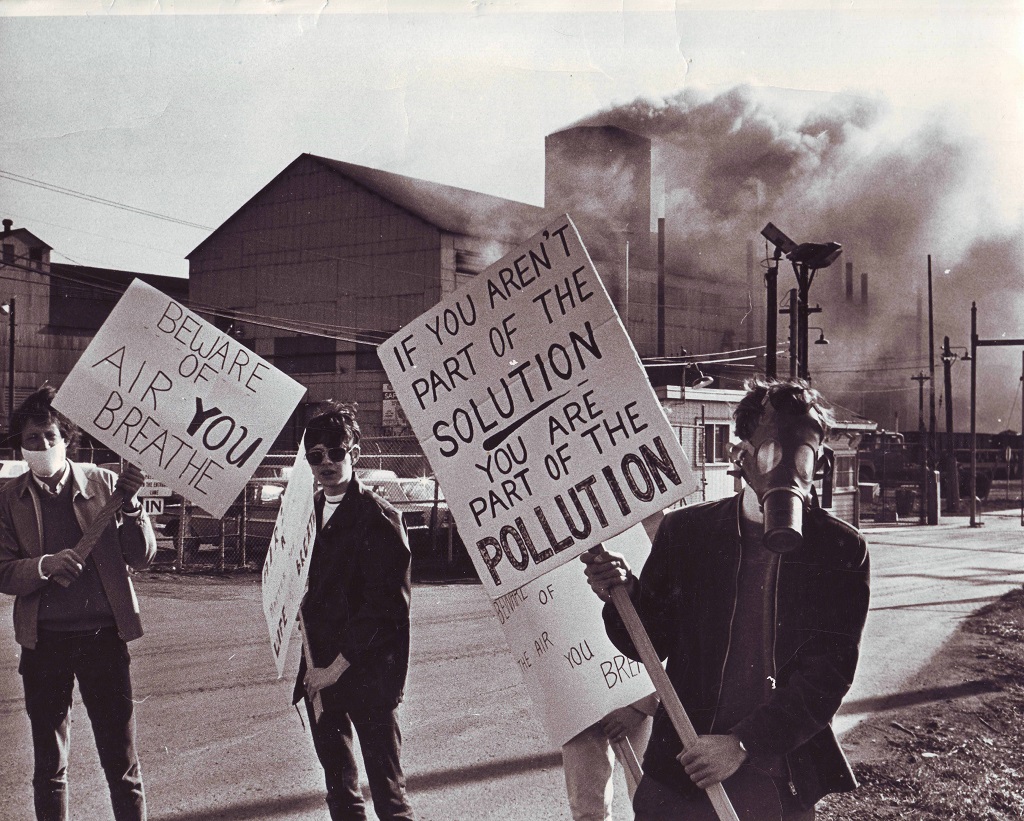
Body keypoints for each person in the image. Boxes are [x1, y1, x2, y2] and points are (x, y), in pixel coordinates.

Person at [580, 377, 870, 820]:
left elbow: (828, 676)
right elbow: (651, 642)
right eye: (773, 449)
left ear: (821, 463)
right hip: (683, 771)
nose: (787, 466)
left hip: (777, 783)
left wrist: (744, 743)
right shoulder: (688, 533)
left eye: (804, 454)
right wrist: (622, 591)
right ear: (743, 457)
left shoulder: (840, 550)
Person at [0, 385, 156, 821]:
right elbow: (3, 570)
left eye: (51, 437)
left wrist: (133, 509)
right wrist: (45, 566)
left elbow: (141, 556)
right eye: (32, 440)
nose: (43, 447)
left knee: (121, 763)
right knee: (50, 767)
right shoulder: (8, 498)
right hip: (44, 644)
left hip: (104, 640)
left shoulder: (105, 483)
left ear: (67, 439)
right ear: (20, 446)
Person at [292, 402, 416, 820]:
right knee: (341, 795)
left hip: (367, 674)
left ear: (355, 453)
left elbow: (386, 612)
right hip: (318, 667)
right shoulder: (302, 517)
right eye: (316, 455)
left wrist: (336, 667)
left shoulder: (381, 519)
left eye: (336, 452)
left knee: (389, 797)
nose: (326, 462)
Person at [562, 693, 659, 821]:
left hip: (631, 690)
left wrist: (642, 706)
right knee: (587, 810)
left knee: (652, 798)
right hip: (575, 695)